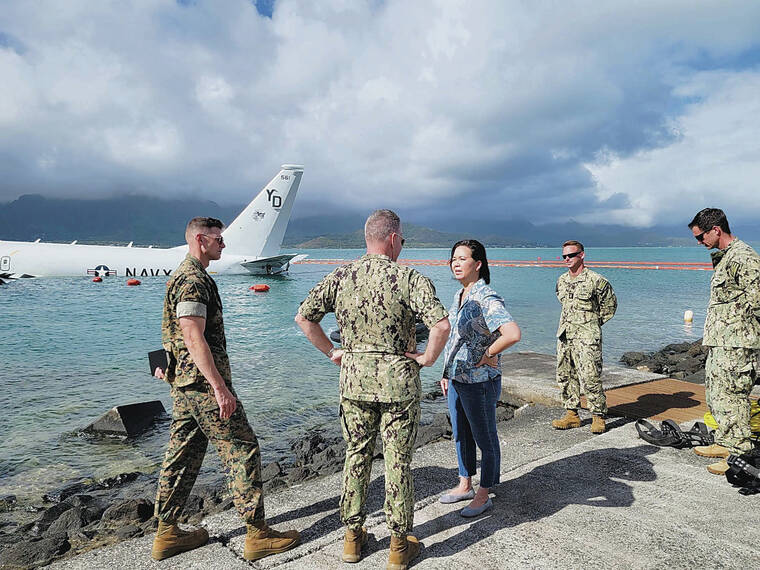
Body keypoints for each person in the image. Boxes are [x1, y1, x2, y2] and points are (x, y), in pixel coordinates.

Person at [295, 209, 449, 569]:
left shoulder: (339, 276)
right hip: (398, 383)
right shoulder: (410, 279)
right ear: (394, 239)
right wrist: (427, 358)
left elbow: (304, 318)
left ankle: (352, 539)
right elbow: (440, 326)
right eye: (402, 240)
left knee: (356, 454)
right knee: (398, 460)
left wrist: (333, 351)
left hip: (353, 381)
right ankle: (398, 544)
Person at [151, 217, 299, 561]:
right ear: (201, 240)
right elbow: (192, 335)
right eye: (219, 239)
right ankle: (257, 534)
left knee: (182, 454)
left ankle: (166, 532)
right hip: (202, 385)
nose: (224, 244)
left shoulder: (185, 275)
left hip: (184, 384)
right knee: (243, 447)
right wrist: (219, 387)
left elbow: (176, 335)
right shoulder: (192, 279)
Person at [438, 240, 521, 517]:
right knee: (461, 434)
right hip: (457, 378)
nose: (456, 263)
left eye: (463, 259)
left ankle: (484, 493)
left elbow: (512, 333)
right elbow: (454, 339)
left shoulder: (486, 297)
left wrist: (488, 353)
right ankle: (465, 484)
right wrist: (445, 372)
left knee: (485, 438)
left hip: (480, 382)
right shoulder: (460, 295)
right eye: (453, 259)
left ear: (478, 264)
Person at [688, 208, 760, 475]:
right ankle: (726, 441)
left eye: (700, 236)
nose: (699, 243)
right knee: (717, 395)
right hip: (722, 341)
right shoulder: (725, 258)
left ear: (716, 230)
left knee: (734, 398)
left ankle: (740, 454)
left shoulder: (744, 258)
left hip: (739, 343)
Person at [551, 240, 617, 433]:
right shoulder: (562, 280)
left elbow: (610, 306)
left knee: (590, 376)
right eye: (564, 256)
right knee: (565, 374)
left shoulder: (596, 280)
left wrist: (592, 324)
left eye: (571, 255)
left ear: (582, 255)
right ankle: (571, 414)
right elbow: (562, 300)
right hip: (565, 335)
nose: (567, 259)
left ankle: (598, 416)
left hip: (587, 337)